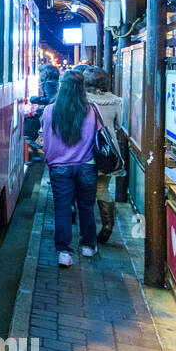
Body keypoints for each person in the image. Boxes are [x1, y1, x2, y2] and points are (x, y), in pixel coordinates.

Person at [41, 69, 97, 266]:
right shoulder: (91, 110)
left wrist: (50, 159)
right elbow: (96, 138)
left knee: (62, 209)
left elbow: (46, 141)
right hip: (86, 166)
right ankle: (88, 246)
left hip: (59, 168)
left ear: (62, 86)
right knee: (86, 207)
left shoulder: (50, 110)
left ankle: (64, 252)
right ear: (82, 88)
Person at [84, 66, 125, 243]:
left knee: (83, 191)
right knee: (102, 189)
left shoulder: (81, 99)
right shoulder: (116, 101)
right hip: (107, 152)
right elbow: (119, 125)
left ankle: (86, 230)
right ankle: (107, 226)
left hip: (85, 151)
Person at [26, 63, 60, 159]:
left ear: (44, 73)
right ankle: (37, 147)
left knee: (31, 123)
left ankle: (37, 145)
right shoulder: (55, 81)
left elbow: (50, 99)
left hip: (52, 111)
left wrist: (33, 99)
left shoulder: (48, 83)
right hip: (56, 110)